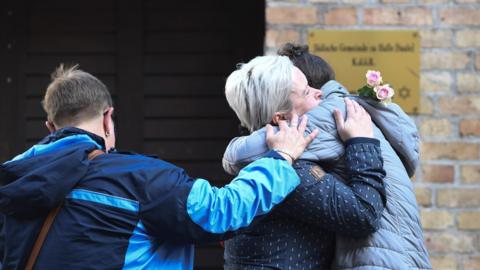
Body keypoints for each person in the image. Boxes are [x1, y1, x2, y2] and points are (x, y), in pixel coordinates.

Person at [0, 64, 318, 270]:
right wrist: (281, 160)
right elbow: (223, 212)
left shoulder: (10, 182)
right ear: (108, 117)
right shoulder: (140, 178)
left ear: (50, 127)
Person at [223, 45, 431, 269]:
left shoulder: (275, 164)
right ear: (280, 117)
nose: (318, 92)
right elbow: (364, 215)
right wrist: (361, 142)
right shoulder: (289, 171)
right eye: (306, 92)